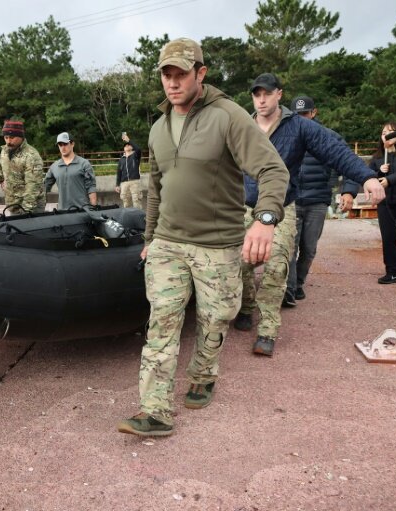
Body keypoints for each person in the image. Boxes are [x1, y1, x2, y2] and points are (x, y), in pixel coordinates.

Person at [116, 38, 290, 438]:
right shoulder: (158, 127)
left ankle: (204, 373)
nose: (173, 83)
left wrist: (264, 220)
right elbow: (156, 188)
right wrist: (151, 237)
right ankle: (155, 410)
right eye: (167, 75)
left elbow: (272, 171)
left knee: (215, 320)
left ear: (201, 73)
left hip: (218, 246)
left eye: (181, 74)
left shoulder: (228, 117)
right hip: (168, 245)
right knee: (162, 322)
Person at [234, 74, 384, 357]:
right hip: (245, 206)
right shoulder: (242, 125)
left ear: (279, 94)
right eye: (257, 94)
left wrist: (366, 177)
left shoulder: (299, 127)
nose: (262, 99)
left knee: (277, 265)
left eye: (267, 93)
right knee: (240, 264)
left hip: (281, 205)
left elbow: (334, 150)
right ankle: (246, 304)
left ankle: (268, 328)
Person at [284, 95, 360, 305]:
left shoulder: (329, 137)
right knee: (289, 247)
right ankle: (288, 290)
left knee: (309, 249)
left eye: (306, 114)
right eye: (297, 115)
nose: (302, 118)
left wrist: (348, 191)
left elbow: (350, 164)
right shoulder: (284, 136)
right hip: (291, 201)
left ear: (314, 112)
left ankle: (298, 283)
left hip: (317, 200)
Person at [368, 121, 396, 283]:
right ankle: (392, 271)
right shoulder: (378, 158)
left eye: (391, 131)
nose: (386, 134)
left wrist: (389, 179)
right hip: (385, 203)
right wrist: (379, 171)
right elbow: (368, 176)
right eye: (384, 131)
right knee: (388, 237)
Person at [0, 119, 46, 215]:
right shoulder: (5, 151)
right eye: (6, 137)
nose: (8, 141)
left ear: (21, 137)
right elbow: (0, 172)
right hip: (13, 205)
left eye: (12, 137)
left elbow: (33, 188)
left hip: (31, 207)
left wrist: (25, 212)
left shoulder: (31, 156)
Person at [44, 132, 97, 210]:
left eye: (65, 144)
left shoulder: (84, 164)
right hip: (62, 212)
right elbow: (44, 187)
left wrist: (94, 209)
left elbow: (91, 188)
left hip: (82, 210)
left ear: (72, 144)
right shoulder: (54, 166)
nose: (63, 148)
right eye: (60, 145)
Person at [115, 133, 143, 208]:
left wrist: (129, 140)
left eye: (128, 145)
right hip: (124, 183)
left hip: (135, 182)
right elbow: (119, 172)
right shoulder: (121, 160)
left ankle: (139, 218)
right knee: (126, 203)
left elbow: (138, 149)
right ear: (123, 149)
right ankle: (128, 218)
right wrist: (117, 184)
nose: (127, 146)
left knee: (136, 201)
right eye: (125, 145)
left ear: (132, 147)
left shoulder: (135, 155)